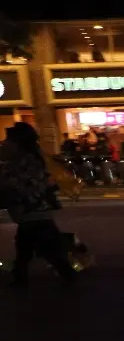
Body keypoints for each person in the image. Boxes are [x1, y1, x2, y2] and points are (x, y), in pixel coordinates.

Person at [0, 123, 78, 288]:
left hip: (33, 213)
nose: (4, 143)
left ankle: (66, 275)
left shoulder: (23, 163)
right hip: (33, 213)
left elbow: (18, 187)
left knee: (44, 247)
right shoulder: (28, 160)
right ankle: (22, 276)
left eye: (8, 140)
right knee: (28, 246)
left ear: (18, 143)